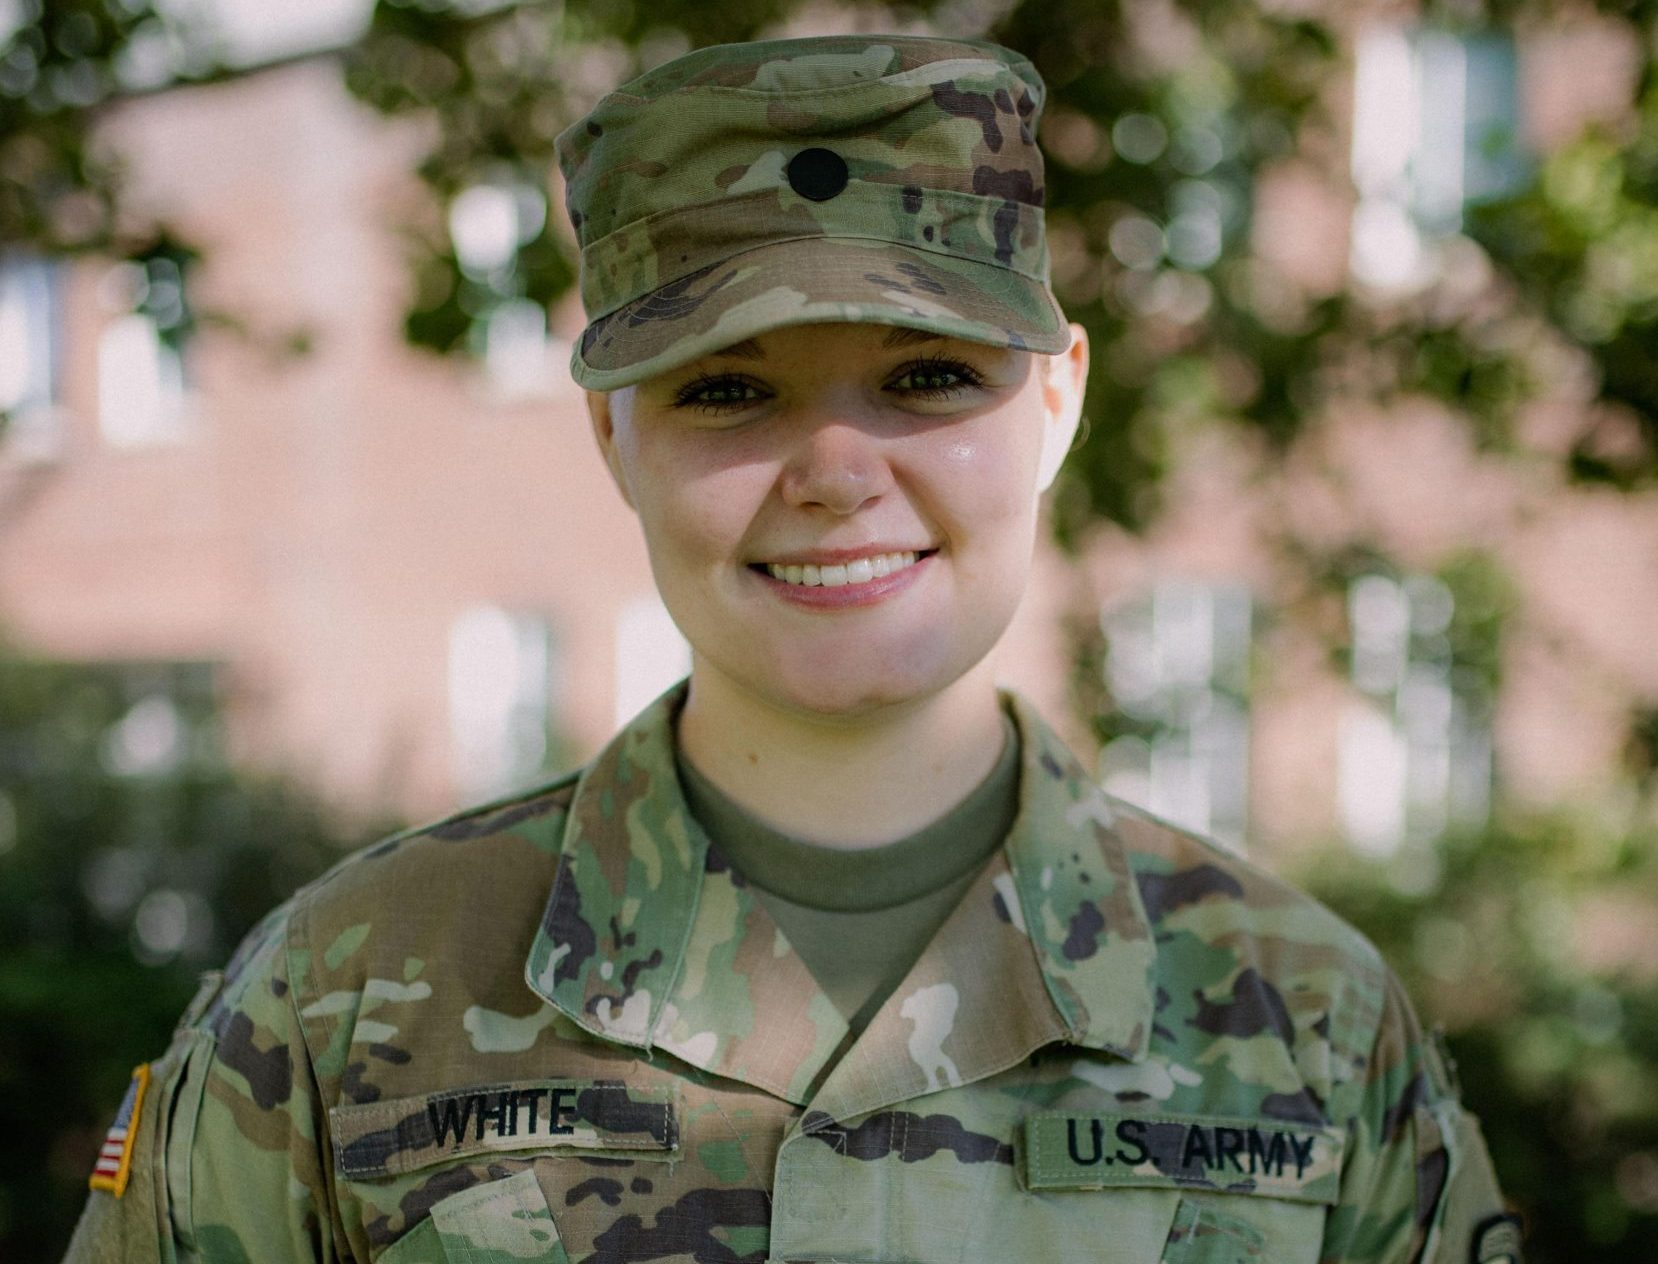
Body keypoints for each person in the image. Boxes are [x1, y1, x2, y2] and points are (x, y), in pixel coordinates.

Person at [63, 33, 1523, 1264]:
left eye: (928, 375)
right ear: (609, 438)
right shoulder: (344, 999)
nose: (833, 469)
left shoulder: (1306, 1022)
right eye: (728, 390)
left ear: (1060, 403)